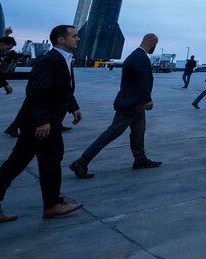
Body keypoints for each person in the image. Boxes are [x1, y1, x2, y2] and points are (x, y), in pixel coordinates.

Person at [0, 24, 84, 225]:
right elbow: (36, 91)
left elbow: (63, 88)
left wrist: (72, 107)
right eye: (74, 36)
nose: (78, 39)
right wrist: (41, 121)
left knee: (16, 164)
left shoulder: (64, 59)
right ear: (60, 40)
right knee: (49, 161)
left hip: (42, 121)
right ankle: (52, 205)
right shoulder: (49, 60)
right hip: (41, 123)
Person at [69, 34, 161, 178]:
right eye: (155, 45)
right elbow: (141, 81)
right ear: (152, 43)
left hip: (135, 103)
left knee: (139, 130)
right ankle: (82, 161)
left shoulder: (134, 55)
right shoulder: (141, 58)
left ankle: (140, 159)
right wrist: (147, 99)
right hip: (131, 103)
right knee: (114, 131)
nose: (155, 48)